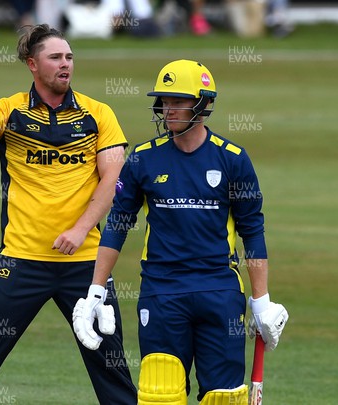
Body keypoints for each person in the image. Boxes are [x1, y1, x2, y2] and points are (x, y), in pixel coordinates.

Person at [0, 24, 137, 405]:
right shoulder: (11, 110)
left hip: (86, 265)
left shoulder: (98, 114)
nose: (65, 64)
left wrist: (81, 229)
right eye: (55, 57)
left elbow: (114, 178)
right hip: (21, 261)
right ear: (32, 64)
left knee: (112, 368)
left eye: (69, 57)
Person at [73, 60, 288, 404]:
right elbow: (117, 225)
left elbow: (253, 231)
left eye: (177, 101)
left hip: (219, 291)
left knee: (224, 398)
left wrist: (261, 302)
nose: (167, 109)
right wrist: (95, 291)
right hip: (162, 293)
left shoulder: (233, 159)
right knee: (159, 395)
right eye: (164, 101)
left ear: (202, 104)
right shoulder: (143, 159)